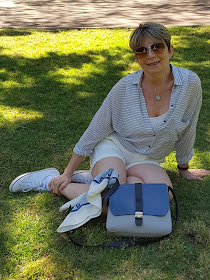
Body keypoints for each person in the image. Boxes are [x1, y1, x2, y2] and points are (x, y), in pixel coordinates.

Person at [9, 22, 210, 204]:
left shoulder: (190, 84)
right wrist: (66, 173)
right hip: (115, 147)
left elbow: (188, 126)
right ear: (137, 58)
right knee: (111, 200)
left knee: (162, 197)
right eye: (142, 51)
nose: (150, 55)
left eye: (157, 46)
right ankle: (49, 181)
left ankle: (97, 178)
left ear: (171, 50)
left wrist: (184, 169)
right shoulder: (125, 87)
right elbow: (97, 128)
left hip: (148, 158)